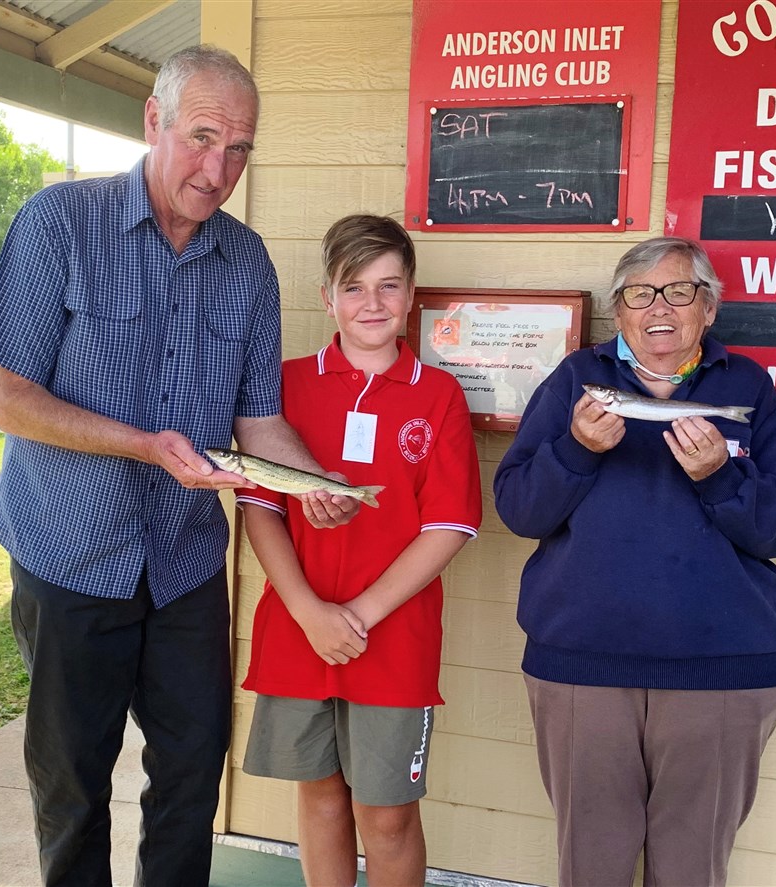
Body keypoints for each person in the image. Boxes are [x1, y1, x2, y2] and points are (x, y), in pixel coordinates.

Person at [0, 45, 357, 887]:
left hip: (181, 561)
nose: (218, 169)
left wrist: (318, 485)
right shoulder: (59, 222)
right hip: (69, 551)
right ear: (154, 121)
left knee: (191, 768)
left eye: (240, 148)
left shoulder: (246, 263)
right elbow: (12, 400)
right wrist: (144, 444)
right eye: (202, 137)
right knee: (72, 781)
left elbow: (259, 419)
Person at [493, 237, 776, 887]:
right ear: (620, 311)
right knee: (592, 863)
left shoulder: (747, 386)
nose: (658, 307)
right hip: (583, 663)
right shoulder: (574, 383)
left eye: (678, 291)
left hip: (720, 671)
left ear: (709, 308)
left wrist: (720, 477)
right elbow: (519, 510)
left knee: (691, 868)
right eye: (639, 293)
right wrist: (577, 450)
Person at [238, 214, 482, 887]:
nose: (370, 304)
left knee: (388, 815)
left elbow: (451, 524)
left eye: (387, 286)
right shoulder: (283, 386)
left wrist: (360, 615)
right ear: (327, 296)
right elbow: (261, 506)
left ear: (410, 297)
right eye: (353, 286)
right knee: (319, 799)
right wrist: (311, 612)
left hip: (393, 635)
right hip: (298, 626)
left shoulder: (437, 395)